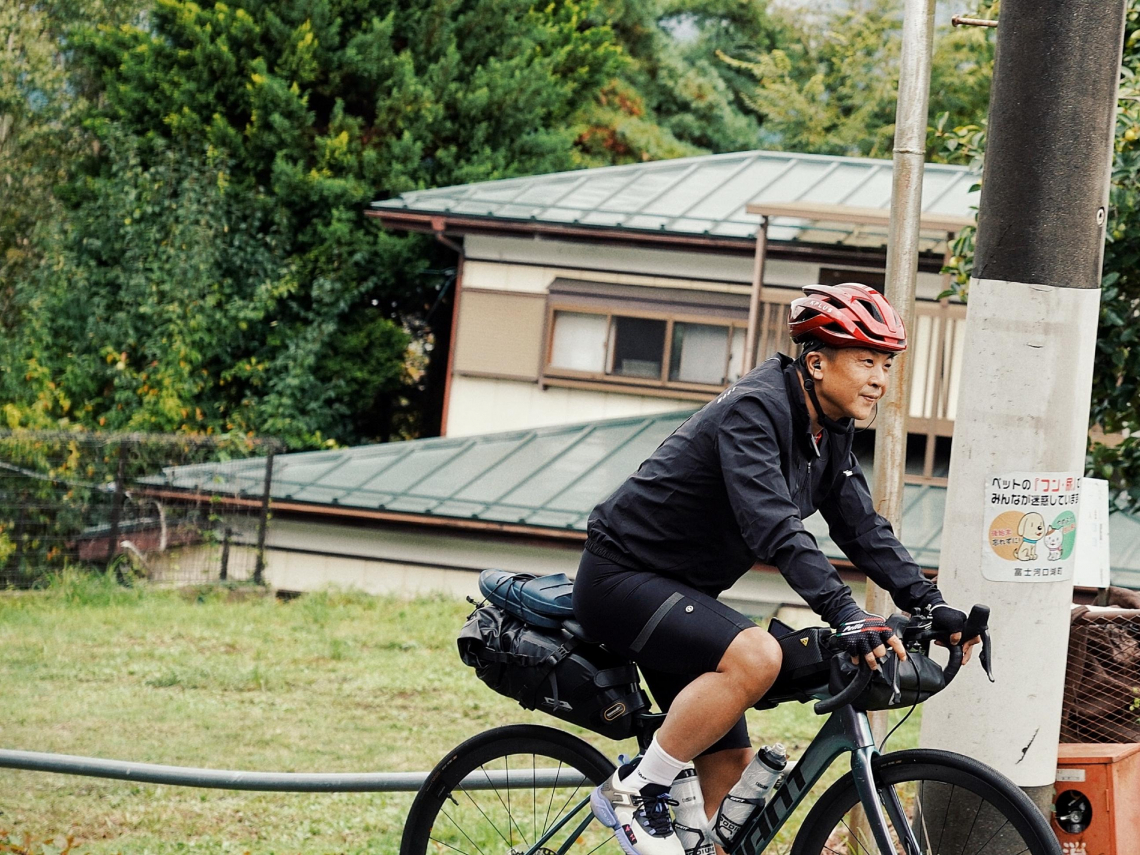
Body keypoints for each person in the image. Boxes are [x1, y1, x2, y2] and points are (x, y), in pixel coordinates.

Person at [574, 283, 978, 855]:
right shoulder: (755, 410)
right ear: (816, 362)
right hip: (621, 579)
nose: (880, 380)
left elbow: (861, 526)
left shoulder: (828, 429)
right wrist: (845, 612)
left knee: (731, 766)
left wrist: (929, 603)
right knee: (758, 655)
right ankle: (634, 791)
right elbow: (774, 526)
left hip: (682, 593)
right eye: (866, 360)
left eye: (886, 364)